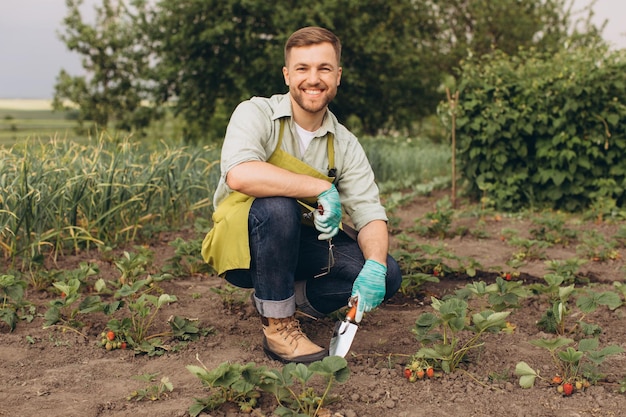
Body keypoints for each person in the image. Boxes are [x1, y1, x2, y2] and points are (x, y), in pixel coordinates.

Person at [201, 26, 402, 364]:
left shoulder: (345, 143)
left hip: (300, 244)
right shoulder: (256, 113)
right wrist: (321, 186)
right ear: (286, 75)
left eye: (324, 68)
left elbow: (369, 215)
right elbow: (240, 173)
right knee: (278, 207)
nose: (314, 79)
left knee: (388, 271)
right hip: (245, 243)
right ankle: (278, 328)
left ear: (338, 76)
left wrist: (375, 267)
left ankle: (279, 297)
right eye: (302, 68)